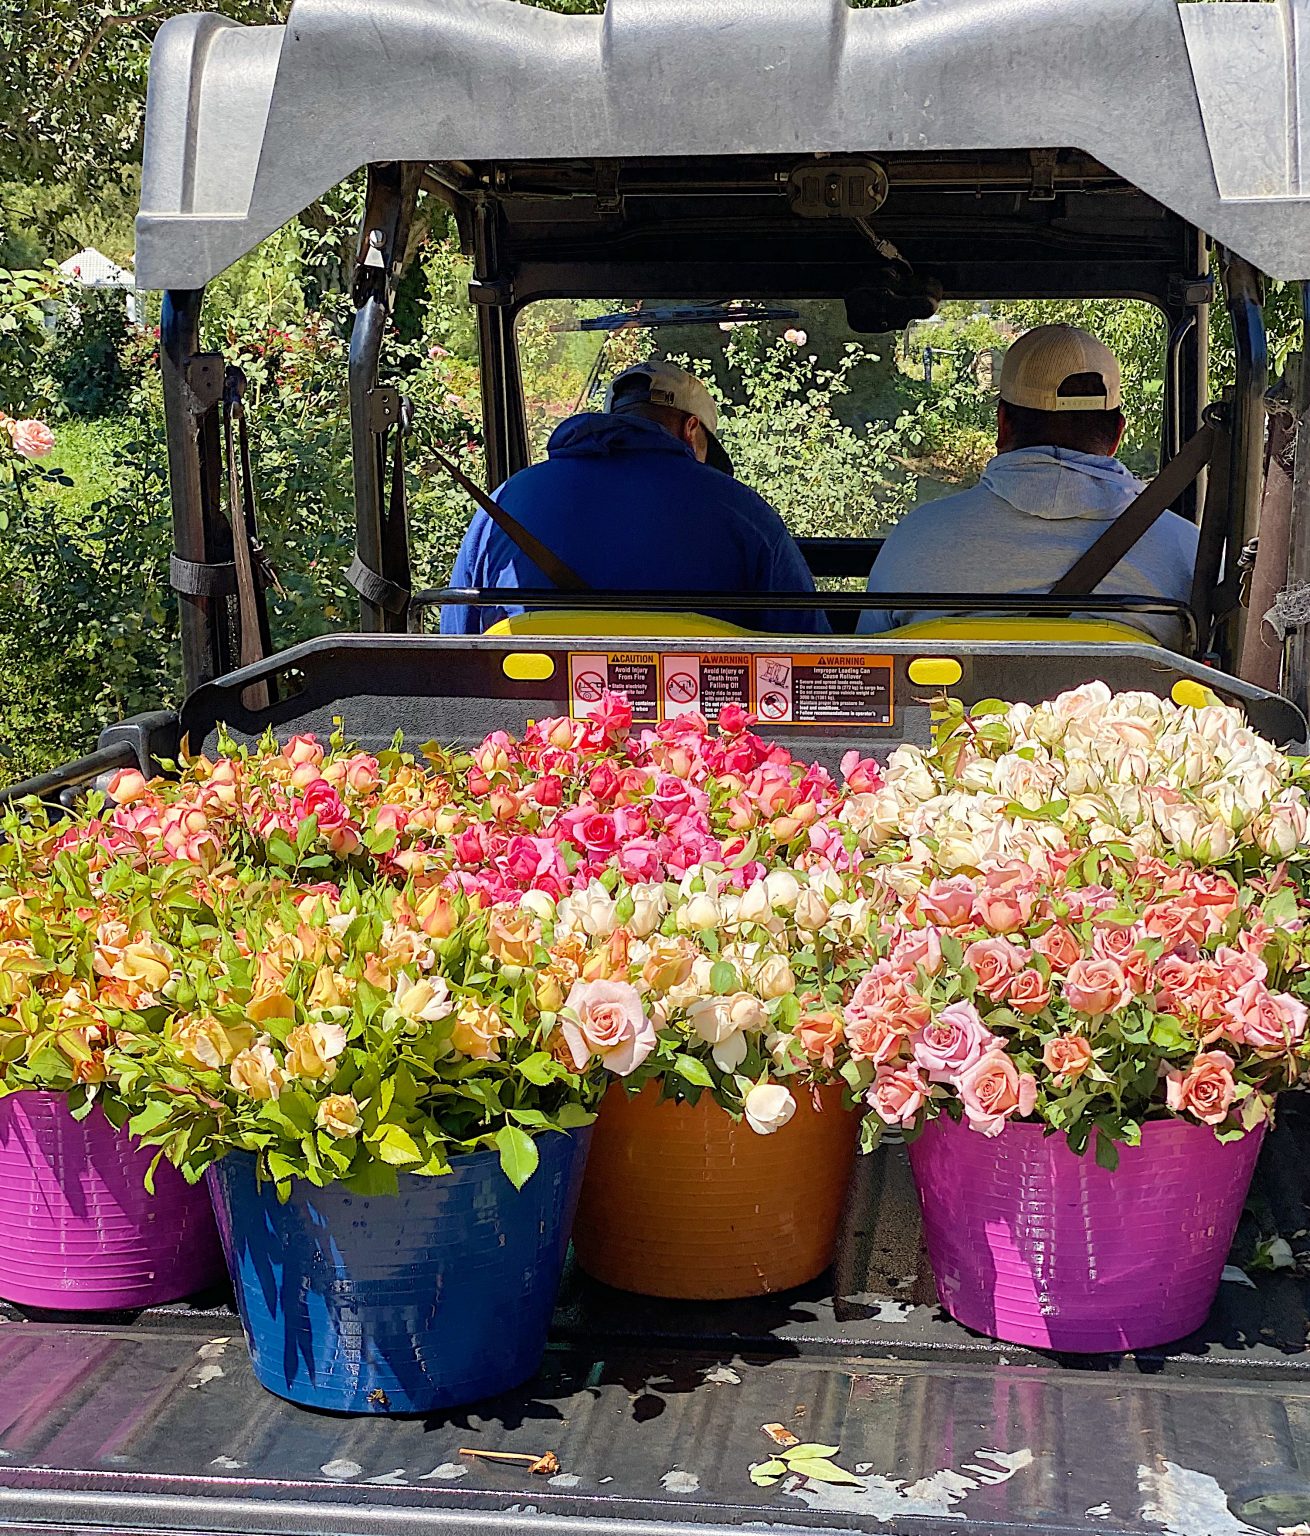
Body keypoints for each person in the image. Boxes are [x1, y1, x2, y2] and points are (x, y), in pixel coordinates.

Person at [858, 324, 1198, 647]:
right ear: (1117, 434)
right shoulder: (1186, 550)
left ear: (1003, 424)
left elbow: (867, 673)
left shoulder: (915, 540)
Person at [441, 360, 828, 635]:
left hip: (533, 739)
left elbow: (457, 637)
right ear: (692, 430)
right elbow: (807, 646)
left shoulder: (508, 500)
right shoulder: (742, 511)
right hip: (700, 742)